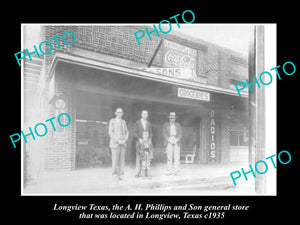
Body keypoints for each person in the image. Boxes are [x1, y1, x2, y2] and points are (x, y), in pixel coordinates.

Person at [108, 107, 129, 181]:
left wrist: (125, 139)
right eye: (118, 112)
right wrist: (117, 140)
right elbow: (110, 132)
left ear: (122, 113)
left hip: (123, 144)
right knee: (115, 160)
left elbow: (127, 132)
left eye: (121, 112)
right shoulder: (112, 121)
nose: (119, 114)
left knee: (122, 160)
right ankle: (114, 175)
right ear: (115, 113)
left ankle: (121, 175)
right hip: (115, 144)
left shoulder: (124, 122)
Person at [133, 110, 153, 179]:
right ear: (141, 115)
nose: (145, 115)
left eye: (146, 114)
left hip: (147, 144)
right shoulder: (137, 123)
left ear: (147, 115)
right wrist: (139, 139)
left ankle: (147, 173)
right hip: (140, 143)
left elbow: (151, 133)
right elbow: (134, 133)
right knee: (139, 158)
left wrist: (149, 139)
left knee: (147, 159)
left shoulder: (149, 123)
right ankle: (137, 173)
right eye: (144, 114)